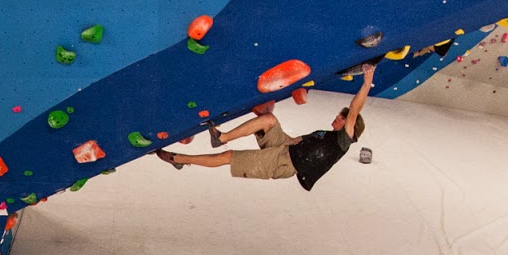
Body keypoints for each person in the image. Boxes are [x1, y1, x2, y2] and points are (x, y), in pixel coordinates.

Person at [155, 61, 375, 191]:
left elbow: (354, 108)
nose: (336, 118)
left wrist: (367, 81)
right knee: (269, 121)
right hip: (285, 149)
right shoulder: (324, 135)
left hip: (283, 163)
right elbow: (295, 141)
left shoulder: (343, 142)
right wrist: (275, 134)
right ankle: (221, 137)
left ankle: (179, 160)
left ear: (348, 124)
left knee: (230, 158)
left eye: (340, 117)